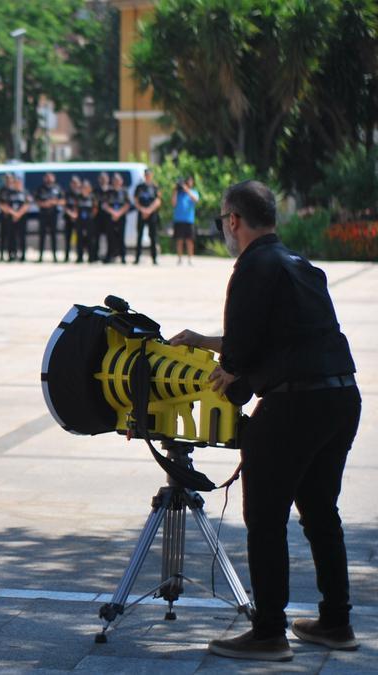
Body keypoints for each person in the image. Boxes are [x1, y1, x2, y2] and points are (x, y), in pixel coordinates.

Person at [170, 180, 360, 663]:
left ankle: (269, 632)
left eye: (222, 222)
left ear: (233, 219)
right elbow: (279, 339)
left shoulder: (251, 268)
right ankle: (337, 623)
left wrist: (225, 376)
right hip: (339, 398)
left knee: (265, 518)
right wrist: (206, 342)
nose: (224, 230)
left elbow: (240, 360)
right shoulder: (299, 266)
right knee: (320, 511)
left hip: (296, 405)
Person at [132, 168, 161, 265]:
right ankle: (137, 258)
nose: (148, 176)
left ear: (151, 175)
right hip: (141, 213)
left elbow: (158, 201)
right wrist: (142, 210)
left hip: (152, 214)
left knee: (153, 236)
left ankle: (154, 258)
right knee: (139, 236)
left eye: (149, 174)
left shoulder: (155, 187)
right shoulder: (139, 187)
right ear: (144, 176)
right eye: (146, 175)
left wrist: (149, 210)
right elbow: (135, 200)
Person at [0, 175, 30, 262]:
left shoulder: (24, 193)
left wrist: (18, 214)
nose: (17, 184)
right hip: (11, 217)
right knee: (11, 237)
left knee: (22, 237)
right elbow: (5, 205)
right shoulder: (9, 193)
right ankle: (11, 255)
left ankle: (23, 256)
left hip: (21, 217)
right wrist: (14, 213)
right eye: (15, 183)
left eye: (18, 183)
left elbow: (27, 205)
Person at [34, 172, 63, 263]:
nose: (49, 179)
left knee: (53, 236)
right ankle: (40, 257)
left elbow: (63, 201)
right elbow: (36, 201)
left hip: (53, 215)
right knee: (42, 236)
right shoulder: (40, 188)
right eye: (47, 177)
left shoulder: (57, 188)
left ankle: (55, 257)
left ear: (54, 178)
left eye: (50, 177)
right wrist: (44, 204)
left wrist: (54, 203)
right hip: (43, 215)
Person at [102, 173, 130, 264]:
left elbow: (127, 204)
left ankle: (123, 257)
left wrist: (119, 213)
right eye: (114, 180)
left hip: (121, 217)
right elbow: (104, 204)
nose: (116, 182)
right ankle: (109, 256)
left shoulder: (124, 191)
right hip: (110, 218)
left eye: (118, 180)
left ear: (121, 182)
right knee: (110, 237)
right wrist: (113, 213)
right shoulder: (108, 192)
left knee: (121, 238)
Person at [173, 175, 200, 265]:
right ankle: (179, 258)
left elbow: (196, 200)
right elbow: (173, 203)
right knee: (179, 240)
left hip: (189, 220)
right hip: (178, 220)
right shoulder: (179, 193)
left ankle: (190, 258)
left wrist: (187, 190)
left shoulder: (193, 192)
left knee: (189, 240)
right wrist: (175, 191)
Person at [62, 176, 82, 262]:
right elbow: (64, 205)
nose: (74, 185)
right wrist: (71, 214)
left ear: (79, 184)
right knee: (67, 238)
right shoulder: (67, 194)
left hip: (78, 219)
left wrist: (76, 215)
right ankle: (66, 257)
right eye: (73, 183)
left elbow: (82, 206)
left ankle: (79, 257)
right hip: (68, 218)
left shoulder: (81, 194)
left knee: (79, 238)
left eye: (76, 183)